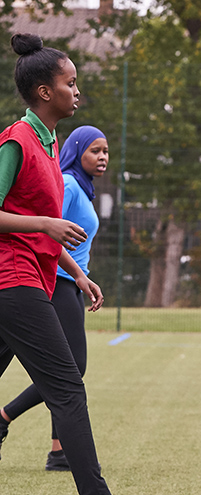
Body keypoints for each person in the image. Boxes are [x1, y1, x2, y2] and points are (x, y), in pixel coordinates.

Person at [0, 33, 161, 495]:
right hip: (13, 281)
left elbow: (45, 228)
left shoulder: (48, 147)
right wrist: (46, 225)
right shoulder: (16, 142)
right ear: (44, 91)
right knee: (68, 388)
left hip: (34, 276)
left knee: (66, 386)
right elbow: (31, 222)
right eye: (70, 83)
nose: (77, 90)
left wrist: (77, 269)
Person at [0, 125, 107, 472]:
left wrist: (81, 275)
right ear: (77, 151)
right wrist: (73, 273)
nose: (103, 157)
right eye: (95, 150)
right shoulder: (70, 184)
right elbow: (43, 225)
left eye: (106, 151)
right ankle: (7, 417)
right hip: (46, 279)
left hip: (67, 280)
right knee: (69, 371)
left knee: (64, 371)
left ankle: (58, 450)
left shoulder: (83, 187)